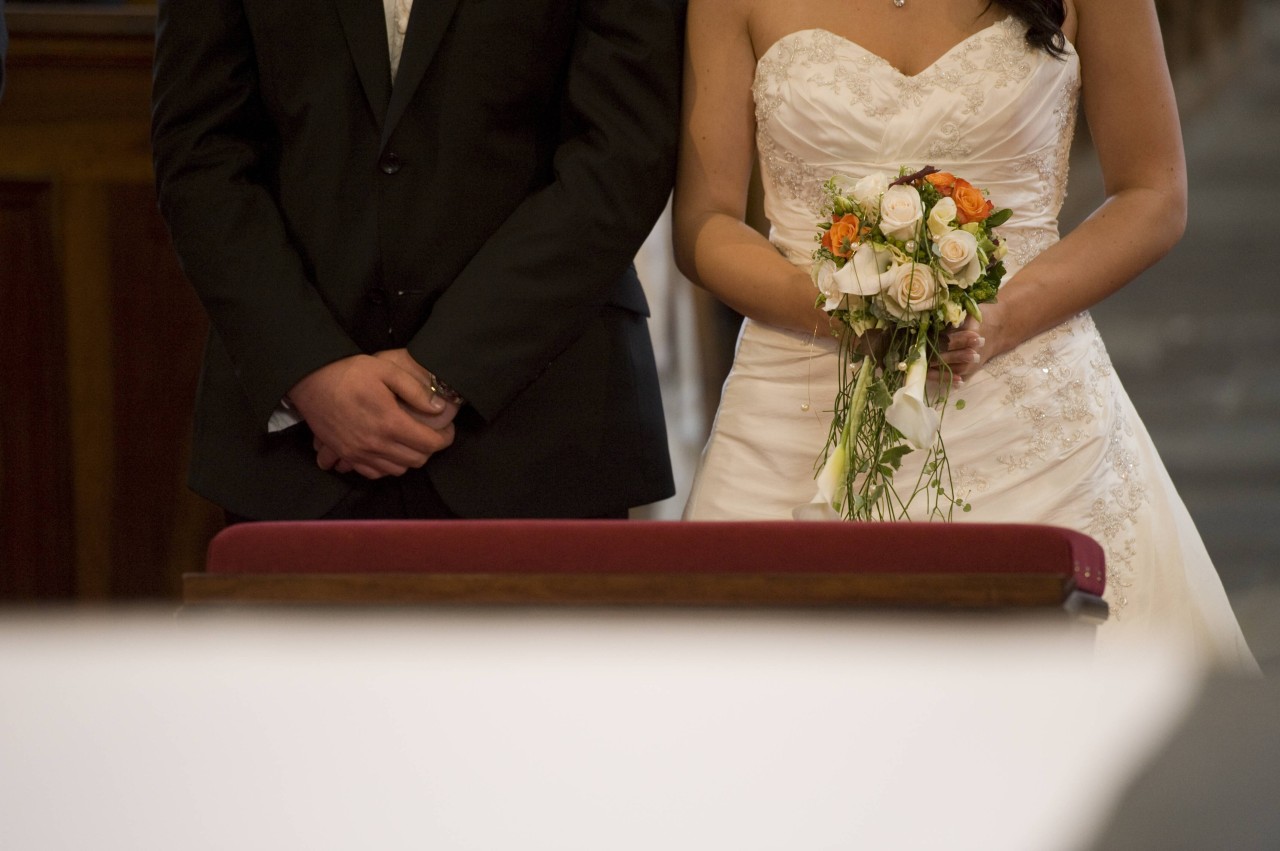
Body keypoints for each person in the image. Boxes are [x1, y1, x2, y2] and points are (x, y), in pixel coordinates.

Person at [674, 0, 1257, 670]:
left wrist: (1002, 316)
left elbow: (1154, 191)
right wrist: (837, 307)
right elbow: (705, 223)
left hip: (1034, 421)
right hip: (795, 404)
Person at [152, 0, 684, 521]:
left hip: (543, 423)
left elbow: (623, 155)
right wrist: (310, 368)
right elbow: (202, 155)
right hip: (299, 441)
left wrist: (445, 371)